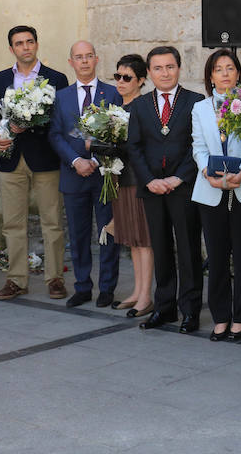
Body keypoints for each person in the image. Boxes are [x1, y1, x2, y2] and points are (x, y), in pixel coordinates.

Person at [127, 46, 204, 333]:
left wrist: (178, 178)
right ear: (149, 73)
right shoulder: (140, 105)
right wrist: (148, 180)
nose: (164, 73)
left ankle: (190, 310)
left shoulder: (196, 102)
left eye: (170, 67)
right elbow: (134, 147)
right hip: (152, 189)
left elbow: (198, 145)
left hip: (183, 188)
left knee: (188, 249)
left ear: (179, 68)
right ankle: (165, 307)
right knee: (160, 248)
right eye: (158, 68)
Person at [192, 49, 241, 342]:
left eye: (229, 67)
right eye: (218, 69)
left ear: (237, 73)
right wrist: (209, 172)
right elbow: (197, 146)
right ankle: (221, 317)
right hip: (210, 189)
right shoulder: (200, 109)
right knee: (218, 257)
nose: (224, 73)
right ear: (210, 76)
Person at [0, 26, 69, 301]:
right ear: (11, 48)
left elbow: (62, 119)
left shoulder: (56, 79)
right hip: (9, 158)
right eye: (19, 43)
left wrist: (32, 123)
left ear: (36, 44)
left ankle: (55, 278)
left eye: (29, 42)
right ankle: (16, 279)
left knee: (52, 222)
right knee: (12, 224)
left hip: (45, 158)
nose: (25, 47)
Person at [48, 41, 122, 307]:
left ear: (96, 59)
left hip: (104, 176)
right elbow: (55, 135)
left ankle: (107, 288)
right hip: (73, 175)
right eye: (79, 57)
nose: (84, 61)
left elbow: (119, 133)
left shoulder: (112, 93)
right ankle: (82, 287)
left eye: (89, 56)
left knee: (107, 233)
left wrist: (100, 159)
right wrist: (76, 160)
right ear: (71, 62)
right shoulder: (61, 97)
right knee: (78, 235)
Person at [109, 54, 155, 318]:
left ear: (140, 81)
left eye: (127, 78)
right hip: (119, 178)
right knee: (132, 240)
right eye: (117, 76)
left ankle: (146, 296)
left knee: (144, 238)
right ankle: (137, 291)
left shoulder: (143, 107)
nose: (121, 82)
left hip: (138, 180)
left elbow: (141, 146)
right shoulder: (117, 107)